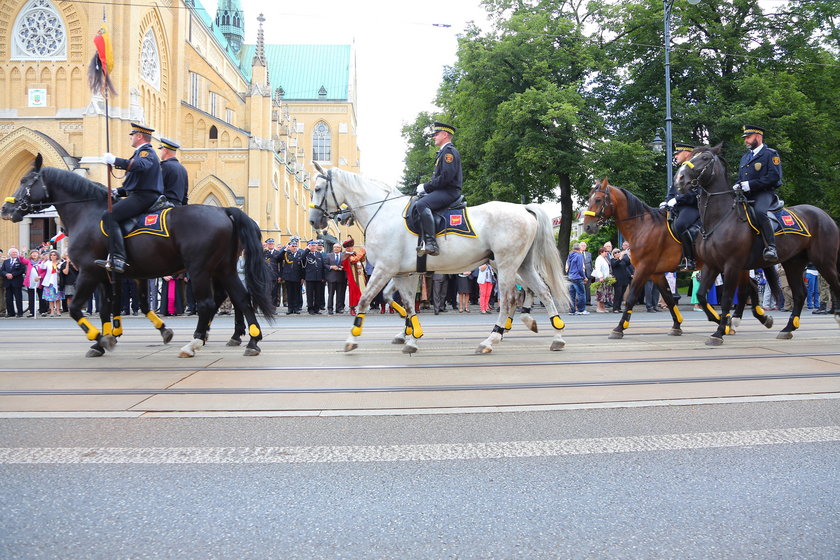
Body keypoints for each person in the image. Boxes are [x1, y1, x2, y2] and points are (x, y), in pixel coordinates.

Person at [97, 122, 164, 273]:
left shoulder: (146, 152)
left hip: (144, 197)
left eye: (132, 135)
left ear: (139, 136)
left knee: (109, 216)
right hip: (140, 194)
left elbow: (141, 166)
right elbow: (137, 183)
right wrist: (117, 191)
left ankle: (118, 258)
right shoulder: (140, 153)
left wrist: (115, 161)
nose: (131, 138)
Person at [735, 125, 782, 263]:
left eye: (748, 137)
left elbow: (774, 176)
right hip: (746, 194)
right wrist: (738, 184)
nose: (746, 140)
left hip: (764, 193)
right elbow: (741, 177)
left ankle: (771, 247)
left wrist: (751, 184)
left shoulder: (770, 154)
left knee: (760, 212)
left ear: (758, 136)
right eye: (745, 138)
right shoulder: (745, 157)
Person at [415, 121, 462, 256]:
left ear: (444, 134)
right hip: (443, 191)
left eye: (436, 134)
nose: (434, 137)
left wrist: (426, 187)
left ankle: (431, 243)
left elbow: (446, 177)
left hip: (449, 191)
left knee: (422, 204)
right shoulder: (442, 152)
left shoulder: (449, 152)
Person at [662, 142, 700, 270]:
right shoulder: (680, 170)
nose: (676, 156)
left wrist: (677, 200)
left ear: (687, 153)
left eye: (678, 153)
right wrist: (667, 201)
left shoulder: (696, 168)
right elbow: (673, 190)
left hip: (692, 206)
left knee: (680, 225)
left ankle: (690, 259)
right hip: (678, 206)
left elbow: (695, 193)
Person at [158, 137, 189, 206]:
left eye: (161, 150)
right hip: (179, 205)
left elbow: (157, 187)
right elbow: (185, 193)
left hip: (166, 205)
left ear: (165, 150)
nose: (160, 152)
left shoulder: (164, 166)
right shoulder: (182, 168)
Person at [279, 238, 304, 314]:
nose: (294, 247)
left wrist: (302, 277)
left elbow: (303, 267)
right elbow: (279, 258)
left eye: (295, 246)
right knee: (289, 293)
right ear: (290, 247)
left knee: (296, 293)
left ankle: (296, 308)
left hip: (297, 277)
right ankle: (290, 309)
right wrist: (285, 249)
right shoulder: (287, 254)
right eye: (292, 246)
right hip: (288, 277)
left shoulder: (300, 254)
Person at [302, 239, 326, 314]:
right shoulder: (306, 254)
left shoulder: (319, 254)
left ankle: (317, 308)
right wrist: (307, 249)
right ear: (309, 246)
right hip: (310, 277)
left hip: (318, 277)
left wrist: (323, 277)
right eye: (312, 245)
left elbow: (322, 266)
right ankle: (310, 308)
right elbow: (302, 259)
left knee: (318, 294)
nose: (313, 247)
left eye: (314, 245)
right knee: (310, 294)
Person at [2, 248, 26, 317]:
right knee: (8, 298)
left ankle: (20, 313)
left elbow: (22, 270)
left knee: (18, 298)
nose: (14, 254)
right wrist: (6, 274)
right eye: (12, 252)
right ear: (9, 254)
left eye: (15, 252)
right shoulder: (6, 261)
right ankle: (10, 313)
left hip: (17, 281)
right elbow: (2, 270)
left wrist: (13, 274)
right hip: (7, 282)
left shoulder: (20, 261)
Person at [325, 242, 348, 314]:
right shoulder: (329, 255)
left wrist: (343, 267)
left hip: (341, 278)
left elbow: (347, 265)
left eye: (338, 247)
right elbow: (325, 264)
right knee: (331, 294)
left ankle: (339, 308)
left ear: (340, 249)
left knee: (340, 294)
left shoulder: (343, 256)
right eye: (335, 247)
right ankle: (330, 308)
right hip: (331, 278)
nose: (336, 248)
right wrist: (331, 267)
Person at [566, 243, 588, 315]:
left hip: (570, 277)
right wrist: (584, 277)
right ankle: (581, 310)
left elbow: (568, 266)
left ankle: (572, 311)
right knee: (581, 293)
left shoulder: (570, 255)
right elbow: (580, 269)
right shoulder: (579, 256)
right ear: (579, 249)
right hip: (577, 277)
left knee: (572, 295)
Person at [609, 248, 632, 313]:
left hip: (624, 280)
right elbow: (614, 264)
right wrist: (620, 257)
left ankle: (619, 308)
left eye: (618, 252)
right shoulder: (612, 260)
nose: (618, 253)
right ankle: (615, 308)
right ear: (613, 254)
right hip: (617, 280)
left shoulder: (623, 260)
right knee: (617, 294)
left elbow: (629, 263)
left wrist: (628, 255)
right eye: (616, 253)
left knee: (621, 295)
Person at [592, 246, 612, 313]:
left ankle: (603, 307)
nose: (607, 253)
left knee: (604, 294)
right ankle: (599, 308)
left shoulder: (605, 258)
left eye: (607, 251)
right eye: (605, 251)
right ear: (601, 252)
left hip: (605, 278)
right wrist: (600, 277)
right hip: (601, 278)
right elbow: (598, 269)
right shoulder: (599, 259)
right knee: (600, 293)